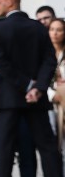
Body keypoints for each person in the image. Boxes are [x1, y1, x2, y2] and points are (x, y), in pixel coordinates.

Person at [0, 0, 61, 177]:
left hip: (8, 98)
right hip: (36, 99)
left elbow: (2, 64)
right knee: (47, 147)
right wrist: (37, 87)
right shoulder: (38, 27)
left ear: (9, 2)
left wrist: (27, 85)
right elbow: (49, 60)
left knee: (5, 151)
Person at [47, 18, 65, 154]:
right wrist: (52, 94)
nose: (55, 33)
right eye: (52, 29)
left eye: (59, 30)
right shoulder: (44, 53)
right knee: (54, 143)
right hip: (50, 102)